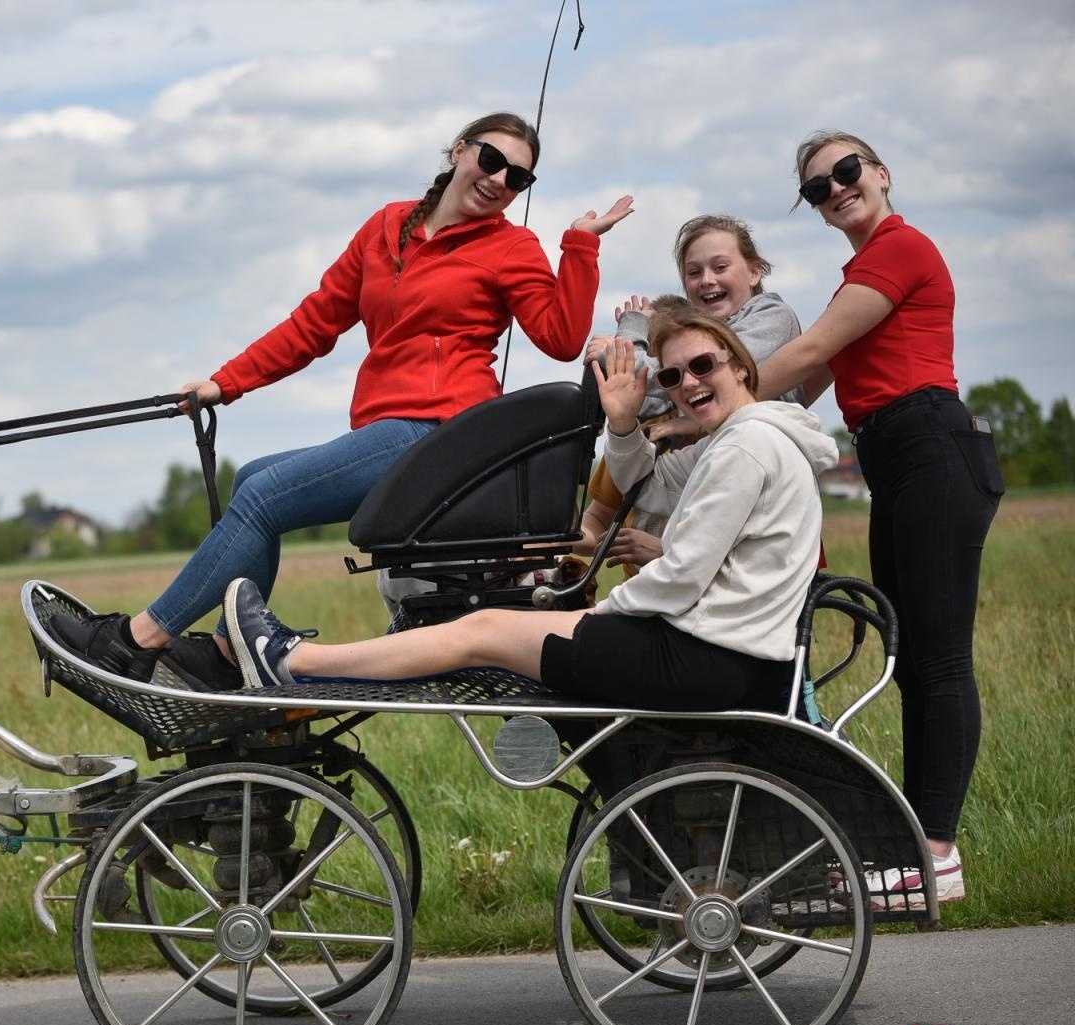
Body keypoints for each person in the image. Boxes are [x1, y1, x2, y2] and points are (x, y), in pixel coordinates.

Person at [52, 112, 634, 690]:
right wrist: (223, 383)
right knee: (255, 477)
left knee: (262, 494)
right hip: (388, 426)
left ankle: (135, 642)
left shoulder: (512, 246)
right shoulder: (387, 227)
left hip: (445, 432)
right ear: (459, 150)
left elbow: (559, 338)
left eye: (518, 179)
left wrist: (579, 246)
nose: (500, 181)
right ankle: (234, 657)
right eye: (491, 160)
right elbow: (315, 322)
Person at [225, 306, 838, 719]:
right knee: (494, 629)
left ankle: (293, 664)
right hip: (728, 652)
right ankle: (305, 670)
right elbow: (642, 491)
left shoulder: (745, 447)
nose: (687, 385)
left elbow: (681, 575)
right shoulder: (752, 438)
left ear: (740, 365)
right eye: (673, 376)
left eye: (703, 366)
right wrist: (623, 424)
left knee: (484, 629)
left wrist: (601, 614)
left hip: (705, 657)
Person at [748, 130, 1002, 907]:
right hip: (897, 459)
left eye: (846, 172)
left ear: (883, 175)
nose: (835, 190)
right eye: (817, 187)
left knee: (942, 660)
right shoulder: (859, 274)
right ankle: (919, 851)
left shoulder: (899, 248)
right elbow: (810, 381)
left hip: (931, 447)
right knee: (914, 659)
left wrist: (689, 396)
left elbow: (808, 352)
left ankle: (936, 854)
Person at [582, 215, 808, 572]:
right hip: (687, 539)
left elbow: (723, 368)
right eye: (694, 272)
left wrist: (621, 350)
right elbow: (646, 395)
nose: (707, 280)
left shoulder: (770, 315)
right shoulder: (677, 412)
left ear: (754, 272)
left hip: (757, 501)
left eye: (720, 266)